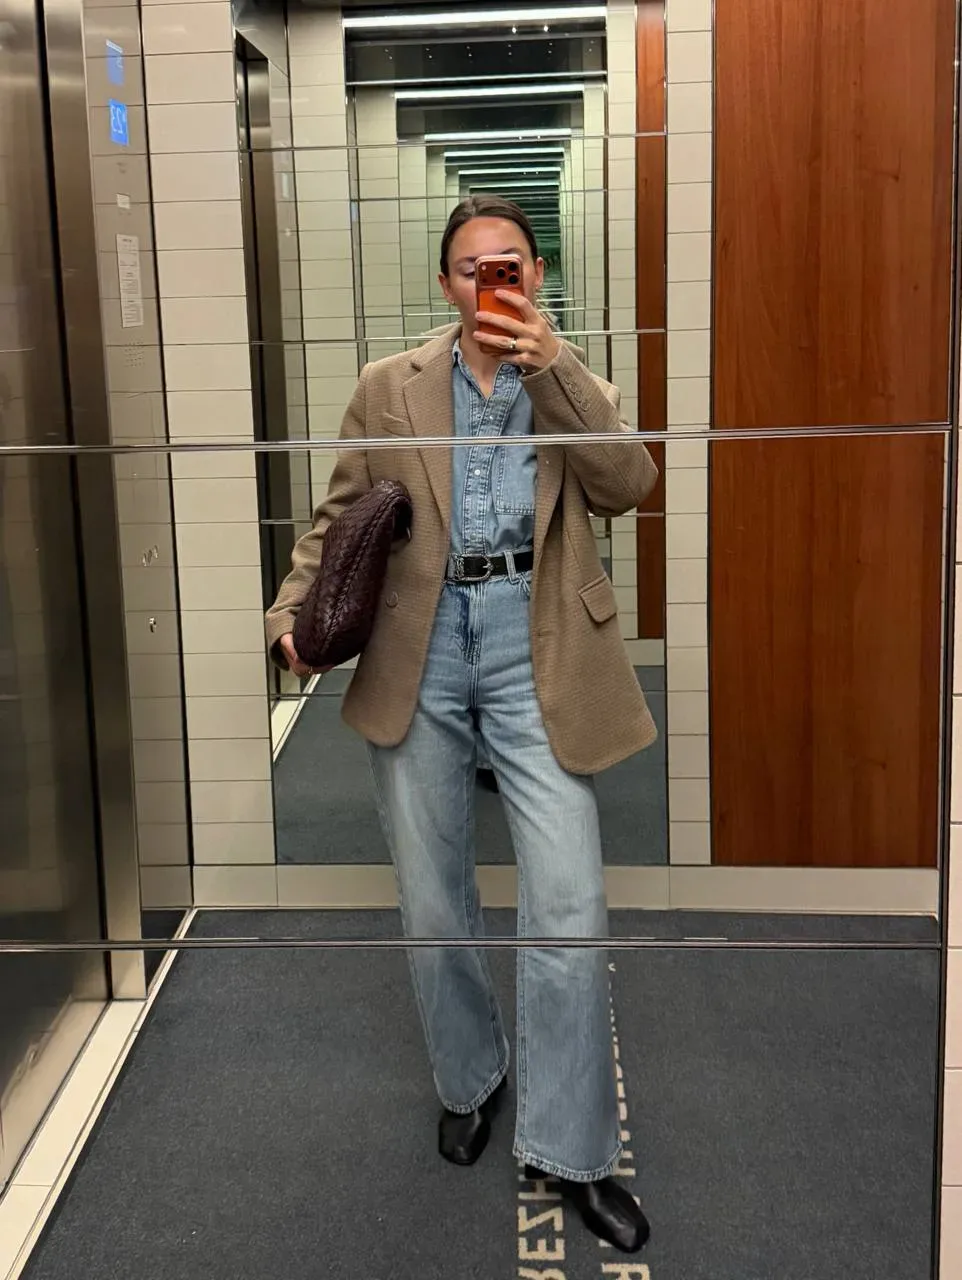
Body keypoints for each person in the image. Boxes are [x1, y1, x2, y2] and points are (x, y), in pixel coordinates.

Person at [265, 195, 658, 1254]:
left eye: (511, 264)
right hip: (421, 642)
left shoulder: (574, 380)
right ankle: (470, 1077)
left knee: (568, 906)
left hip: (540, 641)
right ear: (445, 283)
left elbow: (628, 483)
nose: (493, 281)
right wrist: (289, 618)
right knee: (434, 894)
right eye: (473, 267)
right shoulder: (386, 385)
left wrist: (551, 367)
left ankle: (572, 1151)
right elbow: (337, 520)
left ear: (536, 274)